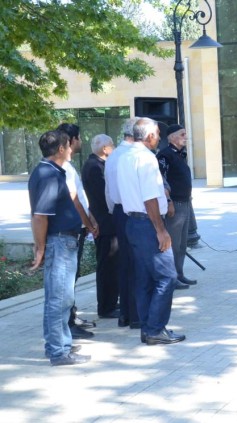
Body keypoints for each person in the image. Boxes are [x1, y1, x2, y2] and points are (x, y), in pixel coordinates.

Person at [117, 117, 185, 345]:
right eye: (157, 133)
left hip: (133, 223)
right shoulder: (146, 158)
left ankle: (148, 328)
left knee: (145, 279)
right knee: (168, 277)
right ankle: (155, 329)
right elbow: (149, 198)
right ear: (148, 136)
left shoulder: (125, 156)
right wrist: (161, 230)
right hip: (148, 223)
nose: (159, 137)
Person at [29, 130, 91, 366]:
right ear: (61, 149)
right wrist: (41, 248)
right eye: (68, 145)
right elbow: (40, 216)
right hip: (59, 241)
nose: (72, 148)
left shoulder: (52, 171)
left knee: (59, 297)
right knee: (60, 298)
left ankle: (57, 345)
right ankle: (58, 351)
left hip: (62, 240)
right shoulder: (48, 175)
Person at [56, 123, 98, 340]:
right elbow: (74, 201)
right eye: (79, 138)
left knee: (73, 276)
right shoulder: (63, 168)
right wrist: (89, 224)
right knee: (67, 279)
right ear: (71, 140)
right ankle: (68, 324)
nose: (81, 142)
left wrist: (90, 218)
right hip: (70, 230)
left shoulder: (69, 166)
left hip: (78, 227)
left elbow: (80, 198)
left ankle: (71, 317)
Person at [105, 117, 140, 329]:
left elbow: (108, 190)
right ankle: (136, 315)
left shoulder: (114, 155)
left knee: (126, 265)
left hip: (118, 210)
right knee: (137, 265)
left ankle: (126, 314)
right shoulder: (132, 155)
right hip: (132, 211)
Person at [81, 134, 120, 318]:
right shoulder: (94, 167)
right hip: (104, 223)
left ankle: (111, 302)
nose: (113, 147)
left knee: (112, 265)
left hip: (107, 221)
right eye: (112, 144)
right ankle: (106, 306)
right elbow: (103, 197)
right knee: (107, 265)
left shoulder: (99, 164)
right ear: (105, 149)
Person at [157, 124, 197, 289]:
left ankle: (179, 274)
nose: (185, 137)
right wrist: (168, 202)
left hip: (185, 202)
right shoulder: (165, 155)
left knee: (182, 243)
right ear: (172, 137)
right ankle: (171, 277)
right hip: (175, 204)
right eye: (182, 134)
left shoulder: (181, 154)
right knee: (173, 243)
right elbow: (162, 181)